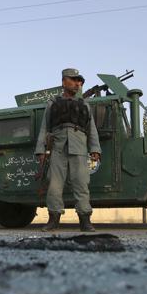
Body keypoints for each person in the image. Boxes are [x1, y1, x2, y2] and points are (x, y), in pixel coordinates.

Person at [35, 68, 101, 232]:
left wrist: (95, 148)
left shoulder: (84, 104)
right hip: (57, 147)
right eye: (75, 80)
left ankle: (85, 220)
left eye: (80, 81)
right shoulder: (53, 103)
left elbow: (91, 129)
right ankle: (53, 219)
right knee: (54, 185)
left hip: (79, 147)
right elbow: (44, 128)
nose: (78, 83)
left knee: (81, 184)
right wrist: (41, 151)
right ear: (64, 82)